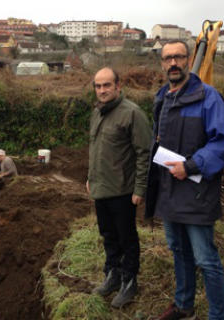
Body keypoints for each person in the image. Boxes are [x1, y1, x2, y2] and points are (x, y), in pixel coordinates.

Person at [145, 40, 224, 320]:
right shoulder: (163, 99)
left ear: (188, 60)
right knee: (178, 251)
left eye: (179, 57)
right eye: (168, 58)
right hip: (170, 192)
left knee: (206, 260)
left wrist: (192, 165)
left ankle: (217, 316)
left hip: (197, 193)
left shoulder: (207, 97)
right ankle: (184, 307)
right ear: (162, 64)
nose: (173, 63)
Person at [87, 67, 151, 308]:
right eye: (98, 86)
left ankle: (129, 281)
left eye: (107, 85)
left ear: (118, 86)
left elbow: (144, 153)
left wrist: (140, 189)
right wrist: (89, 178)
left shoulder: (132, 114)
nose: (102, 90)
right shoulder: (97, 113)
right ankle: (112, 275)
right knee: (108, 236)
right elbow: (95, 149)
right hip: (100, 189)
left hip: (123, 191)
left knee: (127, 238)